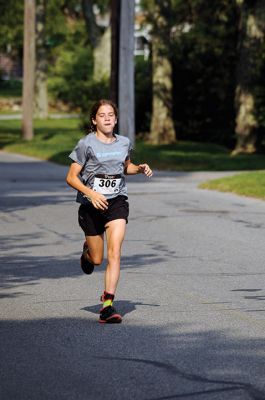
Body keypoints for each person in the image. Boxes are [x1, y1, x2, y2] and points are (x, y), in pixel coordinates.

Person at [66, 99, 152, 324]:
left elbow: (125, 167)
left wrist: (139, 168)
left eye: (110, 115)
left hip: (116, 202)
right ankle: (87, 253)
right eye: (102, 115)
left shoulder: (123, 142)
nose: (107, 118)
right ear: (94, 120)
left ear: (115, 119)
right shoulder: (86, 144)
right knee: (97, 259)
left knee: (115, 253)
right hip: (91, 206)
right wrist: (92, 194)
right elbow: (71, 177)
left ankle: (107, 305)